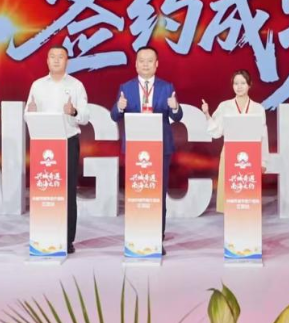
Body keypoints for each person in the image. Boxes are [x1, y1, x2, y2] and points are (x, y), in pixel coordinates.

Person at [110, 46, 183, 253]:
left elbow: (177, 117)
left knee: (158, 193)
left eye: (150, 61)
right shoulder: (126, 87)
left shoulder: (167, 87)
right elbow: (114, 115)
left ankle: (157, 238)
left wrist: (175, 106)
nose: (145, 64)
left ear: (156, 64)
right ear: (136, 64)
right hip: (136, 149)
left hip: (160, 148)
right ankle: (137, 235)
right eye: (141, 60)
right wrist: (120, 106)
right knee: (138, 192)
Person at [25, 45, 90, 254]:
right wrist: (31, 112)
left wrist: (73, 111)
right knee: (44, 189)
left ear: (67, 61)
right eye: (52, 56)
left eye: (60, 57)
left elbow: (85, 117)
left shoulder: (76, 85)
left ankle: (67, 239)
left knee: (68, 190)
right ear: (47, 60)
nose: (56, 60)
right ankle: (44, 234)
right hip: (43, 144)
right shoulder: (37, 85)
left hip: (68, 140)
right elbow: (27, 113)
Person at [200, 70, 268, 213]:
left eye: (243, 83)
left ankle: (247, 221)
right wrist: (206, 114)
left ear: (250, 85)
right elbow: (216, 132)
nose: (239, 86)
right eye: (236, 83)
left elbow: (263, 136)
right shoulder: (224, 106)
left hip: (251, 154)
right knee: (231, 194)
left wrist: (263, 161)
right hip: (229, 153)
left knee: (247, 196)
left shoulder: (258, 108)